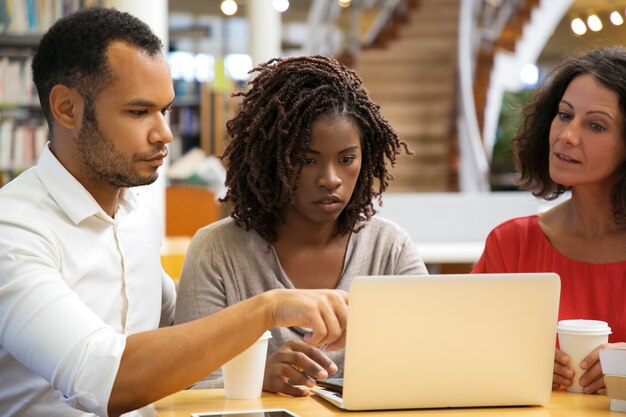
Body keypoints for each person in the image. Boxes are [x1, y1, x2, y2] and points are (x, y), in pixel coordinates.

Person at [0, 8, 349, 417]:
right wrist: (267, 308)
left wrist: (256, 371)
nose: (164, 132)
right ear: (67, 108)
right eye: (138, 112)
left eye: (164, 110)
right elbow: (105, 381)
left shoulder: (135, 209)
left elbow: (177, 330)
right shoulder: (14, 230)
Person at [174, 55, 428, 397]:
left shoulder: (389, 249)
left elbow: (429, 362)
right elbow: (187, 383)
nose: (330, 179)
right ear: (270, 158)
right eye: (307, 160)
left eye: (347, 159)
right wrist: (257, 378)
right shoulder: (217, 251)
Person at [472, 47, 626, 395]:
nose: (567, 136)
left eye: (596, 125)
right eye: (564, 115)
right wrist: (514, 363)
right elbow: (463, 352)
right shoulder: (512, 244)